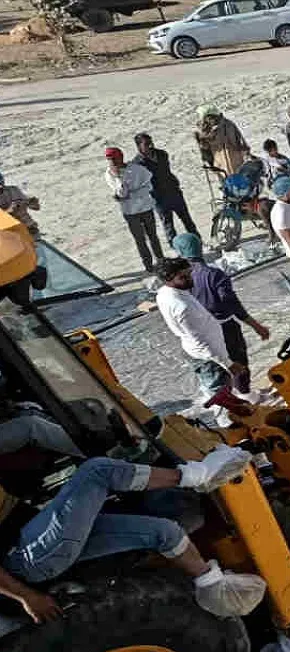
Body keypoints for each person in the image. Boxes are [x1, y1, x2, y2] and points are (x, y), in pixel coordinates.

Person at [0, 421, 266, 621]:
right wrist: (27, 597)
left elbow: (26, 430)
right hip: (28, 557)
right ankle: (198, 476)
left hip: (34, 532)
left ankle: (214, 589)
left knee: (164, 531)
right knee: (97, 472)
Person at [172, 233, 270, 396]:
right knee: (238, 363)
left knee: (217, 370)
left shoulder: (177, 283)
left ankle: (229, 398)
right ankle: (245, 396)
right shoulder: (214, 274)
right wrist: (256, 326)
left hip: (201, 334)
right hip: (226, 328)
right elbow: (233, 304)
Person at [154, 257, 247, 421]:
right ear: (168, 280)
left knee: (222, 392)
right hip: (207, 357)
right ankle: (231, 429)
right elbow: (201, 342)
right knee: (221, 398)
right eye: (182, 277)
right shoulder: (182, 307)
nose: (190, 279)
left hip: (203, 353)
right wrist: (228, 364)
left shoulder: (166, 293)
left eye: (188, 274)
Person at [105, 147, 165, 273]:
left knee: (153, 236)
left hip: (145, 208)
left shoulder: (137, 169)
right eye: (109, 159)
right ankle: (148, 265)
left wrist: (131, 194)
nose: (112, 162)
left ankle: (161, 260)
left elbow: (148, 186)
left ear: (121, 157)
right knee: (140, 239)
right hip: (130, 212)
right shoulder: (109, 174)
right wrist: (118, 178)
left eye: (114, 158)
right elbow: (120, 192)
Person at [132, 134, 197, 242]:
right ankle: (176, 247)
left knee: (187, 220)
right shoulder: (137, 164)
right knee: (168, 225)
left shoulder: (161, 154)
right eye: (147, 144)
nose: (151, 146)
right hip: (159, 198)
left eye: (151, 142)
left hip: (174, 192)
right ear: (139, 146)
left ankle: (197, 241)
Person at [194, 106, 250, 177]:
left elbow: (239, 141)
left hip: (236, 163)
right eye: (207, 118)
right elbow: (207, 151)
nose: (210, 120)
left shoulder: (228, 125)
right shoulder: (205, 131)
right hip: (221, 167)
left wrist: (246, 153)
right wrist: (201, 142)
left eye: (211, 117)